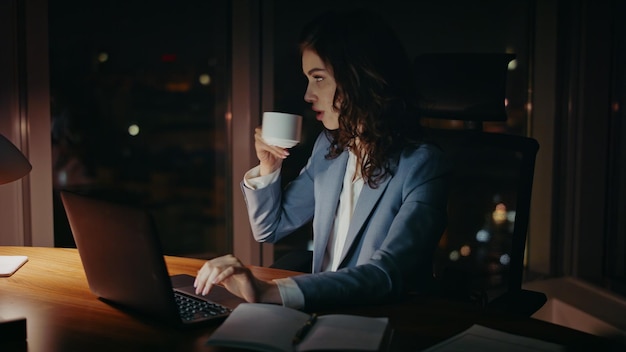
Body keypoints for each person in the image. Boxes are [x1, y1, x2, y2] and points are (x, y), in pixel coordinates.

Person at [194, 9, 448, 311]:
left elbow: (387, 275)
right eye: (307, 79)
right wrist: (269, 166)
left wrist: (270, 292)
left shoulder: (421, 164)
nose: (308, 95)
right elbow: (270, 228)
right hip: (319, 312)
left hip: (376, 319)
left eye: (318, 79)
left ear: (359, 77)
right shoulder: (331, 148)